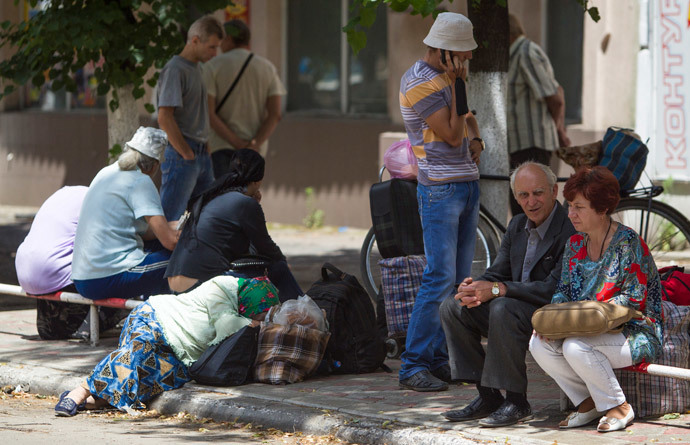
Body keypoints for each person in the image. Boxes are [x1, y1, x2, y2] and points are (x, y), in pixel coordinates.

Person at [440, 162, 575, 427]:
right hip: (514, 306)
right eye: (523, 195)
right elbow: (498, 272)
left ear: (554, 191)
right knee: (453, 306)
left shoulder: (569, 228)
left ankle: (517, 401)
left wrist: (500, 290)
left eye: (538, 193)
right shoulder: (517, 225)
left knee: (503, 307)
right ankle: (487, 396)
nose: (531, 201)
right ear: (516, 197)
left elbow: (554, 288)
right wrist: (475, 288)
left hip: (551, 308)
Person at [529, 166, 663, 433]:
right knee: (538, 343)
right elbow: (563, 291)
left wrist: (588, 321)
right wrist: (553, 322)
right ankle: (587, 401)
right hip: (586, 328)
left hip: (635, 332)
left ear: (602, 209)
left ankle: (619, 406)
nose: (571, 214)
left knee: (575, 347)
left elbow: (633, 300)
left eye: (579, 207)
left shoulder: (628, 243)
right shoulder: (575, 244)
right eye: (570, 206)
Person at [397, 12, 484, 392]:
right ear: (444, 51)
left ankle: (436, 359)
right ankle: (413, 364)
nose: (465, 61)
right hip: (439, 189)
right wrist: (459, 87)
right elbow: (451, 133)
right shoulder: (418, 81)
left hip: (466, 184)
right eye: (461, 55)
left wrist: (478, 139)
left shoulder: (450, 78)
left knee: (458, 279)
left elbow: (467, 121)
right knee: (438, 277)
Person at [53, 275, 279, 416]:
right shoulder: (223, 286)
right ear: (252, 301)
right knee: (137, 355)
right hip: (154, 319)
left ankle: (95, 401)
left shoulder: (245, 312)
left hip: (180, 351)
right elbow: (225, 323)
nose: (258, 319)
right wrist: (255, 324)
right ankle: (80, 392)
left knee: (164, 377)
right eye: (259, 312)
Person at [165, 149, 302, 301]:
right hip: (197, 285)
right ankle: (305, 312)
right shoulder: (244, 203)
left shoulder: (214, 196)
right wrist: (283, 261)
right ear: (258, 180)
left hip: (174, 285)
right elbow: (266, 247)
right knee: (279, 268)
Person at [71, 127, 179, 301]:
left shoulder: (106, 173)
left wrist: (170, 227)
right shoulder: (140, 181)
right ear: (154, 165)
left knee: (159, 253)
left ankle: (151, 312)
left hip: (83, 278)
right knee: (181, 258)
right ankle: (160, 316)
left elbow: (147, 233)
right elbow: (170, 242)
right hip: (107, 277)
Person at [15, 186, 120, 339]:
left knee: (58, 258)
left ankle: (53, 324)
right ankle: (88, 326)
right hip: (51, 268)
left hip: (24, 267)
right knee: (113, 271)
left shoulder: (64, 193)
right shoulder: (96, 201)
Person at [157, 15, 224, 221]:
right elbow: (164, 116)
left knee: (207, 219)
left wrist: (206, 147)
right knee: (170, 220)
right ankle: (159, 255)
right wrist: (186, 153)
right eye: (211, 47)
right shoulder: (175, 69)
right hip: (183, 155)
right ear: (194, 40)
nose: (215, 53)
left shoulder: (198, 68)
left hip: (201, 153)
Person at [202, 19, 286, 177]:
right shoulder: (267, 68)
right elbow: (275, 114)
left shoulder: (212, 66)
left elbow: (209, 114)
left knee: (224, 198)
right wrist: (254, 144)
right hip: (255, 151)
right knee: (247, 199)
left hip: (221, 147)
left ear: (228, 39)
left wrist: (237, 143)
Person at [507, 14, 571, 216]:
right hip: (520, 143)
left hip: (533, 142)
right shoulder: (513, 53)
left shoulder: (525, 52)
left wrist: (560, 130)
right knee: (521, 205)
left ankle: (546, 247)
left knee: (532, 206)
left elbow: (555, 95)